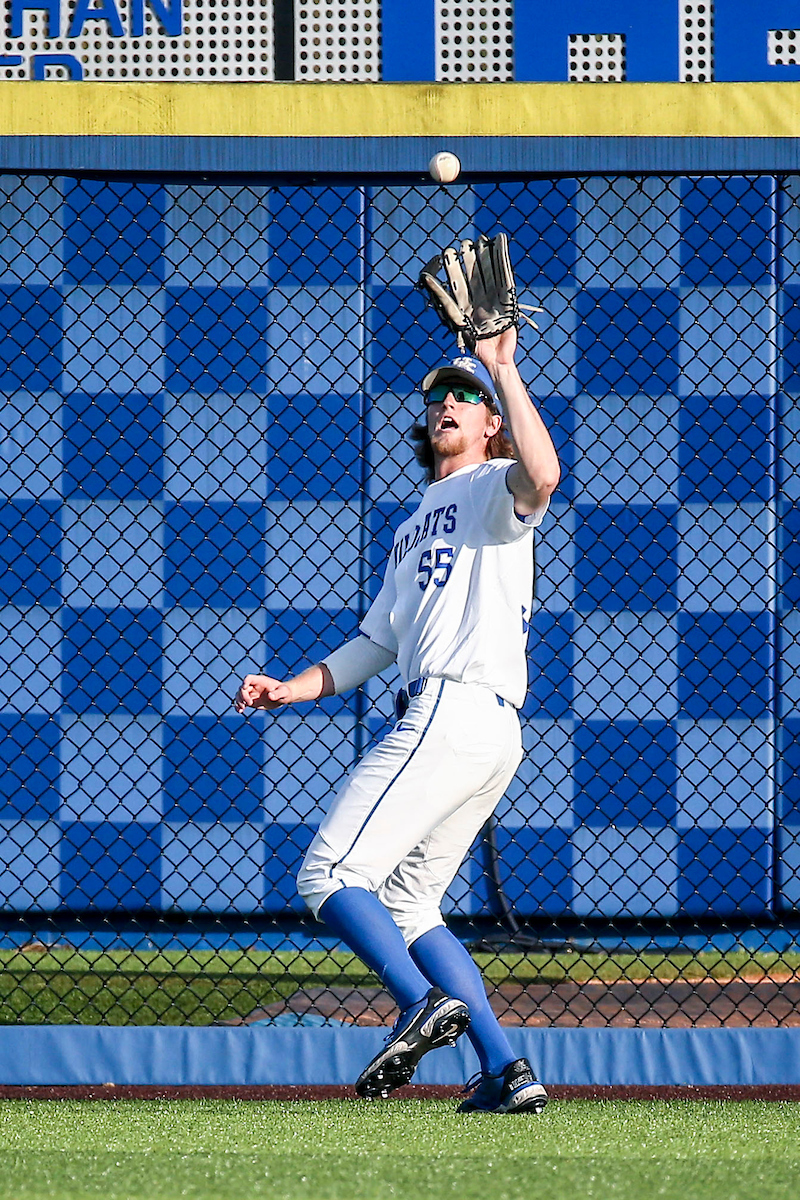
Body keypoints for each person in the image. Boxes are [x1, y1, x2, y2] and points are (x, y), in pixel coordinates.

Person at [235, 322, 560, 1113]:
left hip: (456, 708)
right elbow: (374, 643)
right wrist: (291, 686)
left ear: (491, 424)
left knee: (328, 874)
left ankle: (417, 1002)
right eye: (441, 395)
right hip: (480, 729)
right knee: (413, 905)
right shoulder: (414, 522)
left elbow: (544, 476)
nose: (450, 401)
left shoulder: (493, 489)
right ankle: (504, 1071)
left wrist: (503, 371)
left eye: (467, 397)